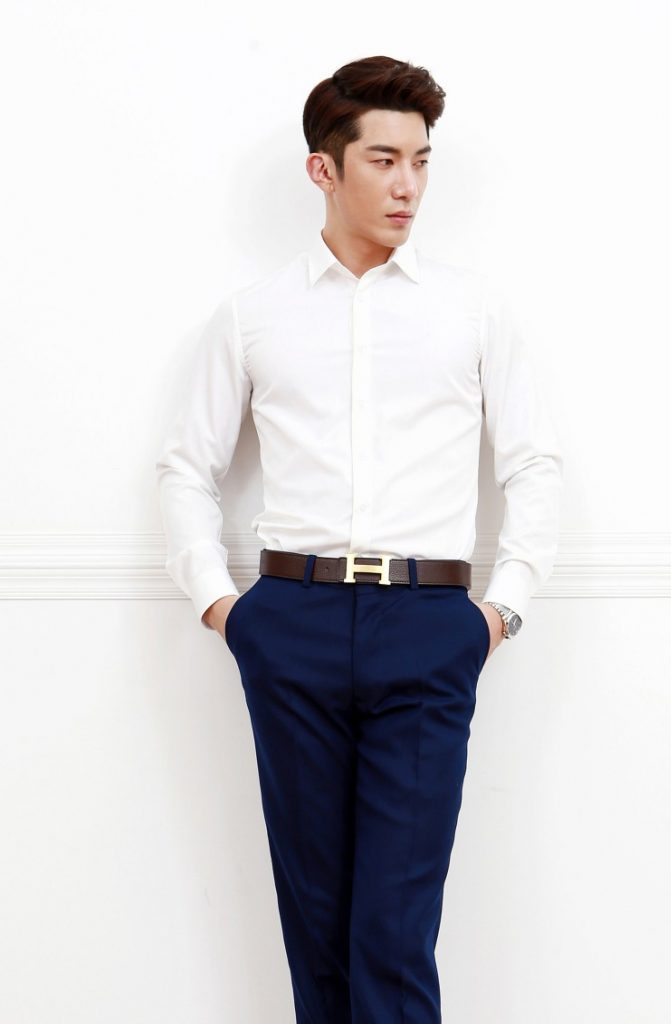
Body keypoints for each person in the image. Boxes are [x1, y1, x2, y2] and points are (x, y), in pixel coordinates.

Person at [155, 54, 563, 1024]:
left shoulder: (472, 310)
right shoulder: (253, 316)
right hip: (289, 621)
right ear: (323, 170)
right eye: (383, 159)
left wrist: (498, 613)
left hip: (429, 626)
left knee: (392, 932)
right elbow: (184, 467)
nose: (407, 184)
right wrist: (225, 608)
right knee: (318, 930)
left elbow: (534, 466)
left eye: (420, 161)